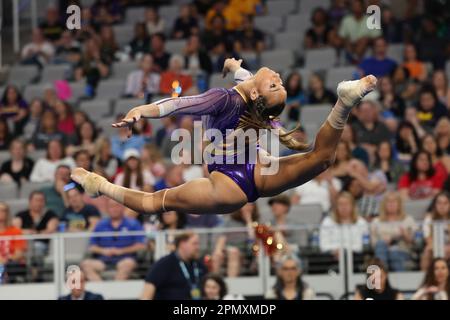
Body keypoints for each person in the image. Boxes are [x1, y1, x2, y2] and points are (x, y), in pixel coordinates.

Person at [71, 58, 378, 220]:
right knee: (321, 159)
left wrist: (142, 109)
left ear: (259, 94)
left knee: (154, 202)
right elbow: (247, 81)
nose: (278, 79)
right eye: (279, 83)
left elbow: (178, 105)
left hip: (228, 185)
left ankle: (100, 186)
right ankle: (344, 103)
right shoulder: (249, 91)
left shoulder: (222, 99)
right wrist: (235, 68)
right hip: (255, 171)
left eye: (276, 85)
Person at [81, 199, 145, 281]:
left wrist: (121, 251)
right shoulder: (100, 224)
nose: (114, 209)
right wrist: (104, 251)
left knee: (127, 264)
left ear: (122, 207)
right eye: (111, 206)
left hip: (125, 258)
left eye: (117, 206)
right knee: (86, 264)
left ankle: (116, 291)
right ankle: (101, 291)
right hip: (103, 260)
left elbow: (141, 246)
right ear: (107, 209)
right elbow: (92, 246)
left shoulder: (133, 223)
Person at [141, 231, 207, 300]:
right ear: (182, 244)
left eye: (198, 244)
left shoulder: (199, 264)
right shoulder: (164, 265)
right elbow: (147, 293)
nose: (198, 247)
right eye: (194, 244)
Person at [371, 192, 417, 271]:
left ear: (399, 204)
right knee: (381, 244)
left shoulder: (408, 220)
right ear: (384, 205)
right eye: (388, 202)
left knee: (394, 254)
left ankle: (384, 278)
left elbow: (415, 241)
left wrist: (405, 235)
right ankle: (381, 275)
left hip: (402, 251)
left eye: (394, 201)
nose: (391, 204)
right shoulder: (376, 221)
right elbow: (373, 242)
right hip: (382, 251)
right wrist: (384, 242)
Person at [212, 203, 258, 277]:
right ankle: (213, 280)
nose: (248, 208)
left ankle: (232, 282)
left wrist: (249, 221)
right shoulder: (230, 222)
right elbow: (222, 237)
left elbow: (253, 240)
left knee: (234, 252)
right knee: (217, 254)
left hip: (246, 252)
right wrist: (218, 250)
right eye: (245, 205)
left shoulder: (255, 223)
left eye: (250, 205)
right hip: (228, 250)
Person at [420, 192, 450, 270]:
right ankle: (425, 278)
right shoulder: (429, 218)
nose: (442, 206)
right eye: (439, 203)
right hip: (435, 247)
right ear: (435, 205)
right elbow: (428, 238)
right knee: (427, 251)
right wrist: (440, 249)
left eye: (445, 203)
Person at [0, 202, 27, 283]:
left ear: (7, 213)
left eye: (3, 210)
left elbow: (19, 253)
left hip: (11, 264)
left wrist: (5, 261)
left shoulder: (15, 231)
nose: (1, 213)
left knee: (9, 266)